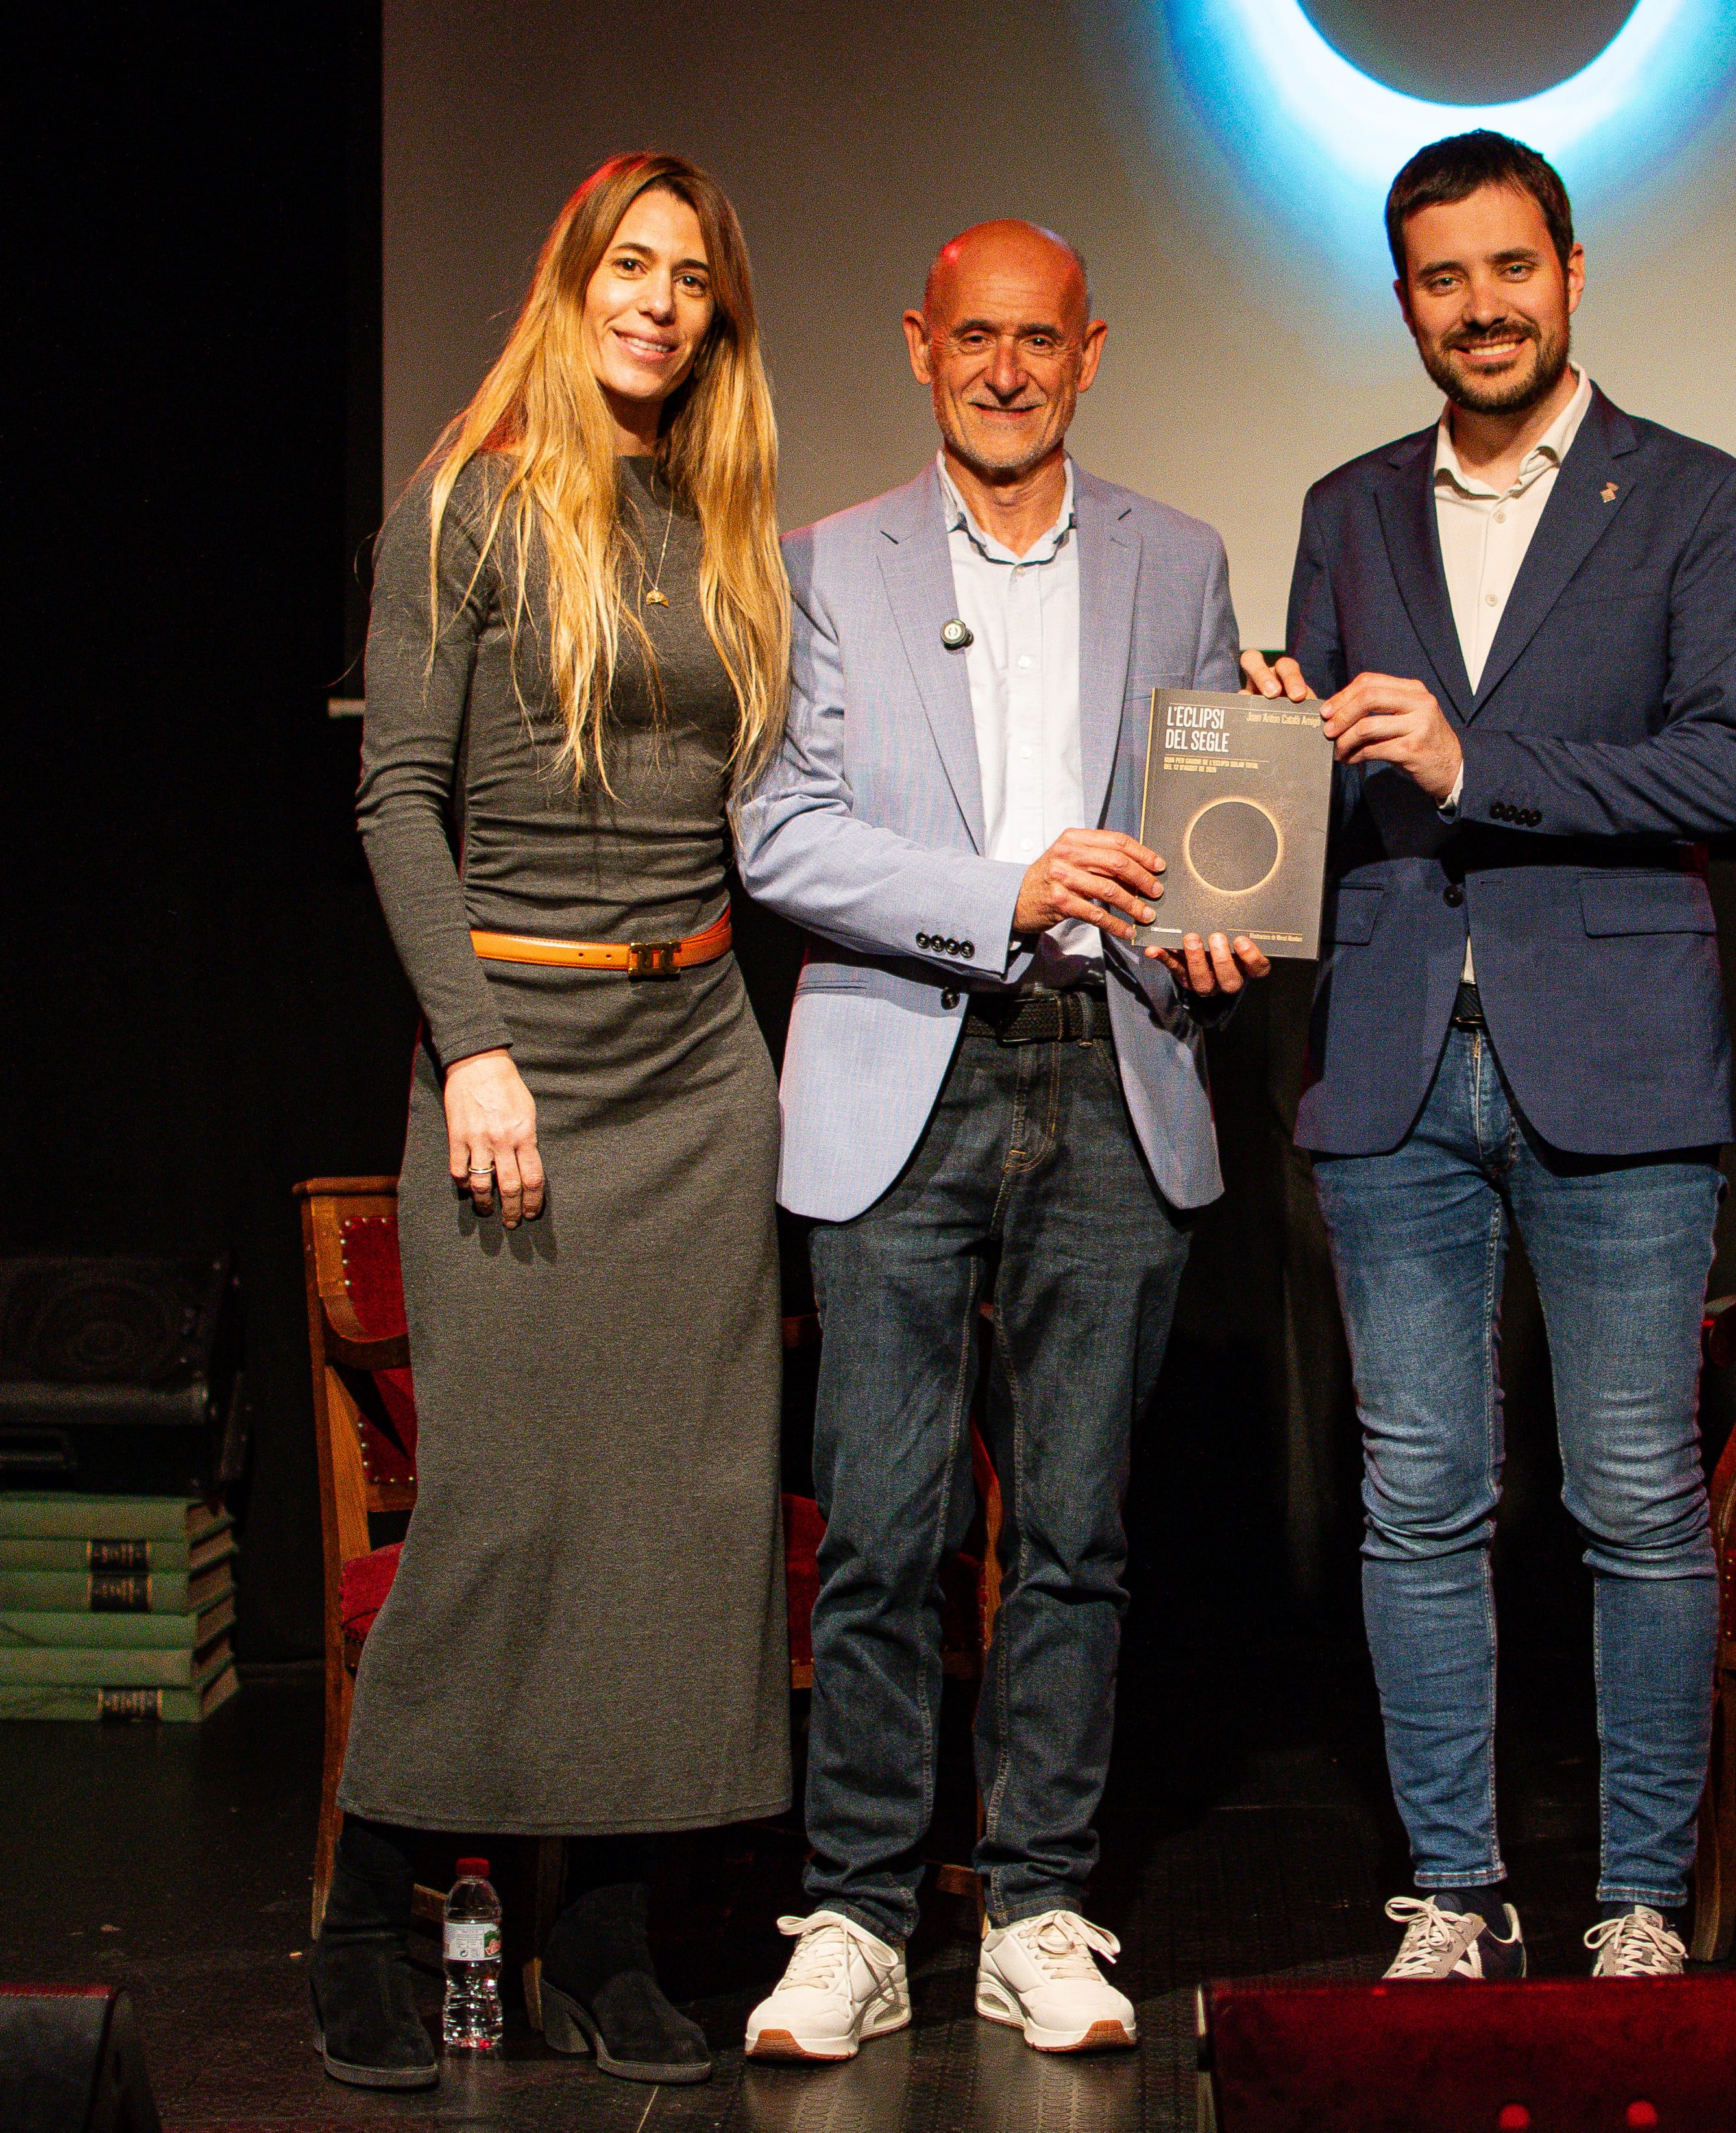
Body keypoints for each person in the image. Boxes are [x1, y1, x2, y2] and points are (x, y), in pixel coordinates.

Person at [1242, 131, 1736, 1984]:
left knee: (1633, 1496)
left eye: (1510, 268)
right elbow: (1312, 793)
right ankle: (1455, 1894)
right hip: (1391, 1056)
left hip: (1617, 1052)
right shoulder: (1347, 507)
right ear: (1404, 300)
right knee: (1417, 1498)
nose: (1481, 306)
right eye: (1441, 277)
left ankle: (1637, 1898)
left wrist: (1475, 766)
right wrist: (1274, 752)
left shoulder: (1694, 496)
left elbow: (1725, 767)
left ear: (1571, 271)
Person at [734, 219, 1267, 2064]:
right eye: (977, 336)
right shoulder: (824, 565)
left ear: (1089, 353)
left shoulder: (1179, 557)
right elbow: (780, 833)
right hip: (904, 1075)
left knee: (1073, 1535)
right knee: (879, 1535)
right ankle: (857, 1918)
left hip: (1111, 1072)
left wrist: (1218, 924)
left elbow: (1216, 829)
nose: (1008, 369)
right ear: (919, 343)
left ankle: (1035, 1907)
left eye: (1041, 339)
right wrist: (1001, 890)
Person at [330, 153, 794, 2089]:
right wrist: (473, 1049)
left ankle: (602, 1938)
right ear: (571, 278)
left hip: (699, 1065)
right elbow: (396, 800)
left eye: (689, 276)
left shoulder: (721, 515)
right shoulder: (466, 501)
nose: (657, 301)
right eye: (629, 264)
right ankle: (369, 1908)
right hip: (520, 1055)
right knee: (509, 1505)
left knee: (678, 1521)